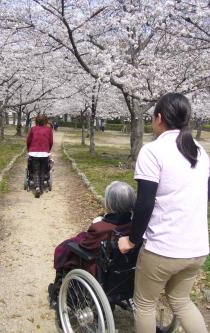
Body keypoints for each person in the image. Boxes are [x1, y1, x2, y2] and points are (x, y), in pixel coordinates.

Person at [118, 93, 209, 333]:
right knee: (181, 301)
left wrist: (132, 239)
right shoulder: (200, 150)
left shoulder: (153, 151)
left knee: (145, 305)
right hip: (197, 248)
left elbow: (144, 203)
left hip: (164, 249)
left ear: (159, 118)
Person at [49, 180, 136, 306]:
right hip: (125, 268)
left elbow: (86, 246)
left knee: (65, 248)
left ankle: (60, 289)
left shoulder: (101, 228)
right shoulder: (135, 226)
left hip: (100, 270)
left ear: (110, 203)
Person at [27, 114, 53, 198]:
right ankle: (41, 189)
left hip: (34, 153)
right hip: (44, 153)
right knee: (42, 171)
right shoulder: (49, 129)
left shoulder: (33, 129)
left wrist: (29, 149)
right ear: (46, 121)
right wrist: (48, 150)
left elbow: (28, 140)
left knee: (35, 170)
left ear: (36, 121)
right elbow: (51, 141)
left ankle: (37, 187)